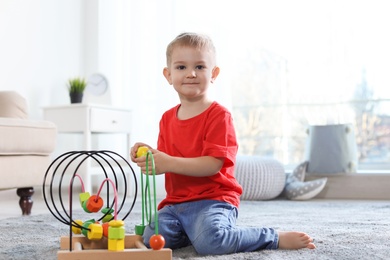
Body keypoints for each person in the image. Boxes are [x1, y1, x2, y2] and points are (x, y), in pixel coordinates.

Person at [130, 32, 316, 255]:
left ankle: (273, 237)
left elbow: (212, 165)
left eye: (199, 67)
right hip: (175, 204)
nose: (190, 73)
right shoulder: (166, 118)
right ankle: (192, 231)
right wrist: (151, 156)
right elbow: (169, 160)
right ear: (168, 75)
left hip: (213, 200)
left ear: (214, 73)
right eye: (181, 67)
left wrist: (168, 162)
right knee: (151, 239)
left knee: (212, 243)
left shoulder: (219, 115)